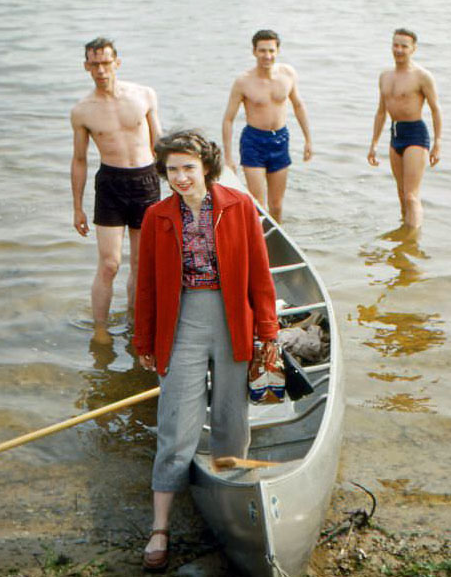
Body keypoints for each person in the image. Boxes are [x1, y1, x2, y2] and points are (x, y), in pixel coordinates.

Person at [133, 130, 278, 571]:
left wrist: (268, 332)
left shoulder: (240, 205)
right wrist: (144, 340)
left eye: (188, 168)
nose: (180, 177)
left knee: (232, 415)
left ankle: (232, 503)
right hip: (181, 320)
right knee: (176, 421)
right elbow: (146, 285)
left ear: (206, 168)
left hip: (234, 318)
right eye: (172, 169)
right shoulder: (156, 216)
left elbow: (260, 274)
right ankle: (160, 526)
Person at [71, 37, 161, 345]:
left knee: (141, 264)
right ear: (86, 66)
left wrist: (177, 185)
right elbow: (79, 160)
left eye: (106, 63)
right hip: (110, 183)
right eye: (94, 64)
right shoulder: (82, 111)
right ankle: (100, 329)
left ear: (117, 63)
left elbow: (160, 144)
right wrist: (77, 207)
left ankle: (135, 323)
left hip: (146, 180)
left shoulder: (143, 95)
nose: (101, 70)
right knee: (110, 264)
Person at [222, 29, 313, 223]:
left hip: (280, 139)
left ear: (277, 51)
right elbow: (228, 119)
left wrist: (308, 140)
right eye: (262, 51)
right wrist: (228, 157)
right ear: (254, 52)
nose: (267, 56)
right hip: (253, 141)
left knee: (277, 206)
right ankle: (258, 240)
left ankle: (276, 238)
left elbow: (298, 105)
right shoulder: (243, 81)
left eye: (271, 51)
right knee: (258, 205)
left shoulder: (288, 74)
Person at [367, 28, 442, 231]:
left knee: (411, 195)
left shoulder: (422, 76)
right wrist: (374, 144)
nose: (399, 50)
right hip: (396, 133)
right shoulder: (385, 76)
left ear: (413, 49)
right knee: (401, 194)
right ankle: (404, 238)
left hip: (416, 133)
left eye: (404, 46)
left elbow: (436, 109)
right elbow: (381, 112)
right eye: (396, 45)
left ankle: (413, 237)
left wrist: (437, 143)